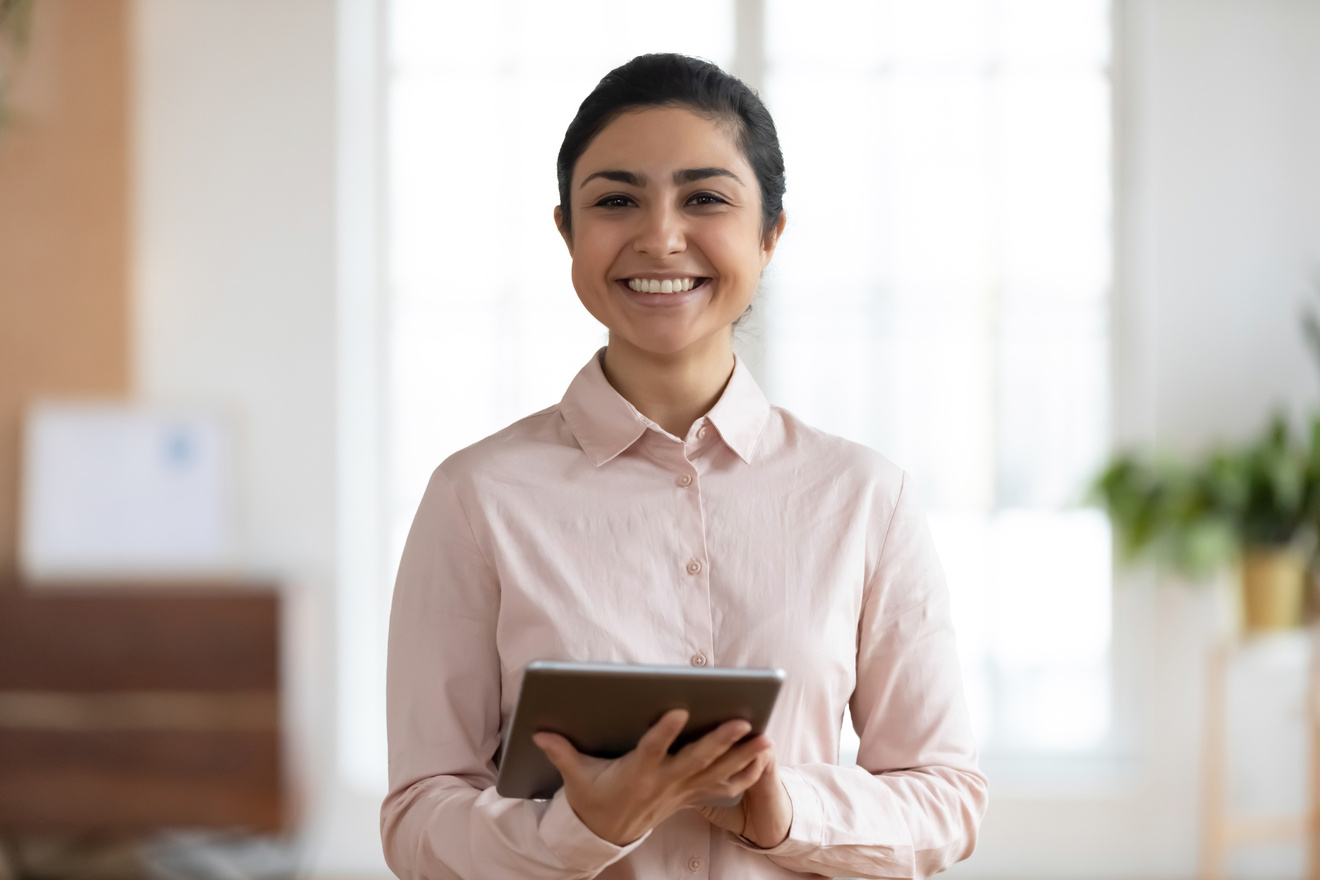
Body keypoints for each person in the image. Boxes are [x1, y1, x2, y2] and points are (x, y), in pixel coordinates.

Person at [380, 53, 988, 880]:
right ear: (566, 232)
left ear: (770, 234)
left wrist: (786, 813)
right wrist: (578, 828)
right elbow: (419, 819)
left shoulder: (864, 498)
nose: (660, 235)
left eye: (705, 198)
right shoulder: (474, 498)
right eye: (616, 200)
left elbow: (945, 798)